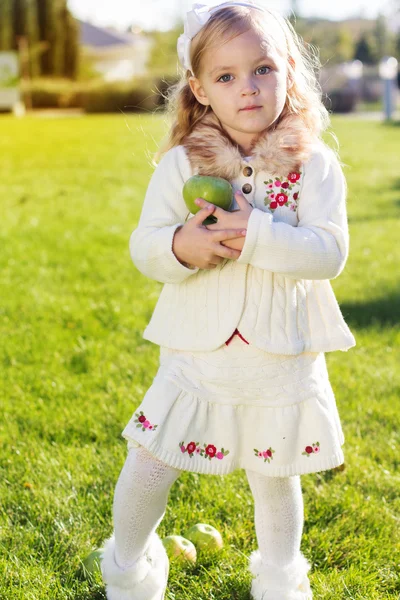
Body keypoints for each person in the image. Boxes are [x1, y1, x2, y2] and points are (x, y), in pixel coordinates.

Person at [101, 2, 356, 599]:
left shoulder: (313, 165)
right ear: (200, 89)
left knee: (275, 473)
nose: (248, 87)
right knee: (152, 459)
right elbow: (144, 246)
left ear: (288, 71)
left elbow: (328, 253)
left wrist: (257, 234)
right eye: (226, 76)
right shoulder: (182, 166)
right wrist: (182, 246)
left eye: (263, 69)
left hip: (279, 353)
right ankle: (128, 566)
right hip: (197, 352)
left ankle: (280, 579)